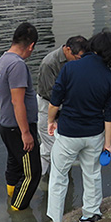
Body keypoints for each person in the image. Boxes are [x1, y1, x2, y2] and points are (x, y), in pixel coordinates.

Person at [44, 30, 111, 222]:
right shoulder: (110, 79)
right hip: (94, 134)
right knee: (92, 173)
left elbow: (55, 101)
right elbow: (110, 116)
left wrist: (51, 121)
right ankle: (90, 214)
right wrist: (108, 143)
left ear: (94, 46)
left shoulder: (71, 68)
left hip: (69, 133)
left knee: (59, 176)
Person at [0, 22, 41, 211]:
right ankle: (18, 210)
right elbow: (17, 101)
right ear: (31, 46)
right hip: (18, 128)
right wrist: (26, 133)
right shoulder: (17, 65)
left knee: (14, 165)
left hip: (5, 125)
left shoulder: (3, 60)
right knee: (33, 173)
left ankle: (11, 196)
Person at [36, 36, 87, 176]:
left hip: (65, 106)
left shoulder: (75, 62)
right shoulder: (49, 63)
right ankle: (43, 180)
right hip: (48, 106)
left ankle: (49, 176)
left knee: (58, 146)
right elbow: (51, 94)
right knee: (50, 147)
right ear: (68, 50)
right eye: (78, 58)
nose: (80, 62)